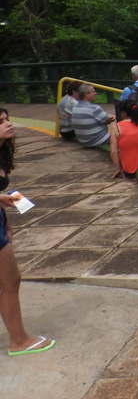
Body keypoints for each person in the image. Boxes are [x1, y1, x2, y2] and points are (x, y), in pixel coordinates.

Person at [0, 109, 56, 356]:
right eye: (0, 122)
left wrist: (6, 220)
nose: (8, 124)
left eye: (6, 119)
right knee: (10, 282)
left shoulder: (3, 150)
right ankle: (19, 341)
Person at [70, 84, 115, 149]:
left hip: (84, 141)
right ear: (86, 94)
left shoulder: (74, 108)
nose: (96, 93)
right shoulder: (94, 108)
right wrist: (112, 118)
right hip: (98, 140)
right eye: (93, 91)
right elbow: (106, 121)